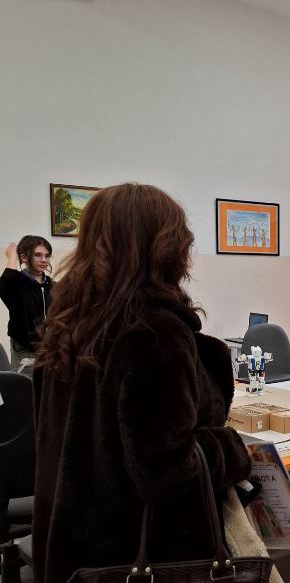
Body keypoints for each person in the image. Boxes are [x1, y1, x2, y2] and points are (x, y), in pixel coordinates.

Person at [33, 183, 252, 583]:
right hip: (143, 555)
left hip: (76, 551)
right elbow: (168, 471)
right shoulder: (155, 334)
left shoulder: (69, 328)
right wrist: (231, 449)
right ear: (167, 250)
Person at [0, 236, 53, 374]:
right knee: (26, 385)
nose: (44, 260)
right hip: (25, 352)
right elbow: (7, 279)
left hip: (50, 350)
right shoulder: (17, 283)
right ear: (24, 257)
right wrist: (13, 255)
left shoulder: (51, 285)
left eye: (47, 256)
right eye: (38, 255)